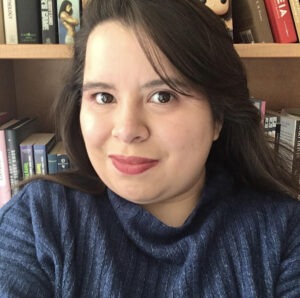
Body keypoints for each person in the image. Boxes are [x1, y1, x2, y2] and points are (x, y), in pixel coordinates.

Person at [0, 0, 299, 296]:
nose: (127, 130)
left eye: (163, 97)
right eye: (103, 97)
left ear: (218, 116)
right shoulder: (39, 219)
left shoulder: (284, 234)